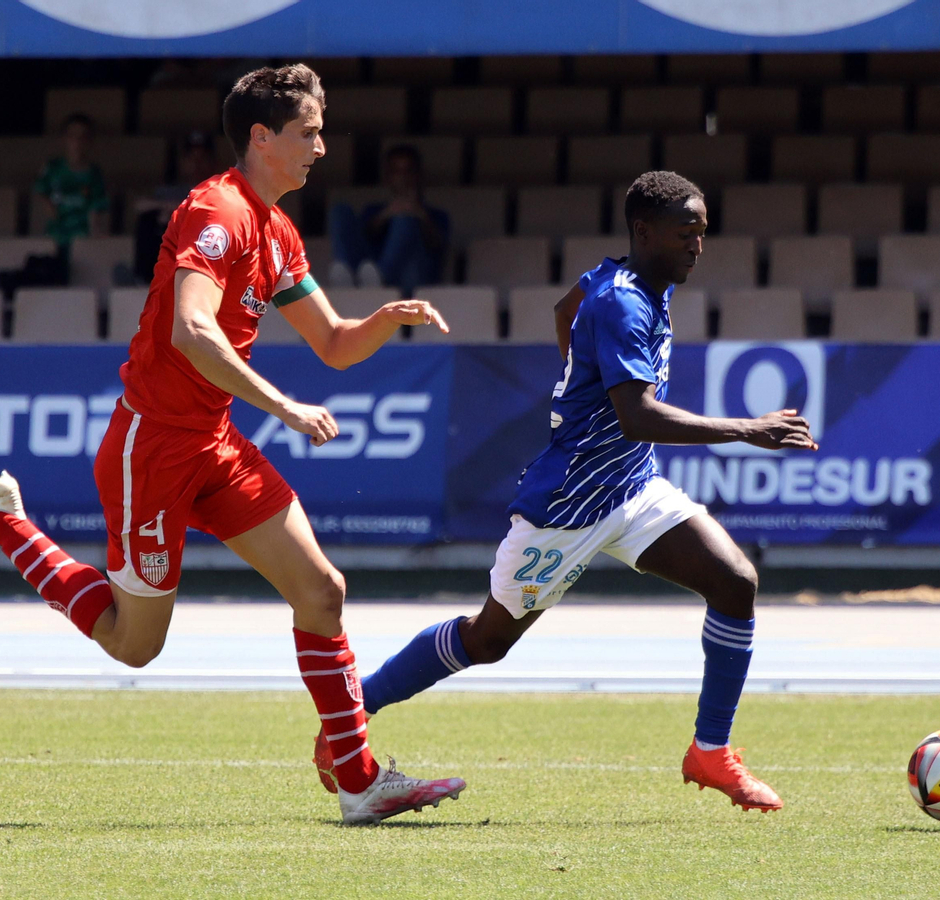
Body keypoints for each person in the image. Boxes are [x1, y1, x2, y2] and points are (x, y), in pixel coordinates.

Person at [0, 65, 466, 826]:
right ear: (262, 137)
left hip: (212, 443)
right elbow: (191, 328)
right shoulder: (218, 209)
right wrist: (282, 405)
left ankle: (359, 781)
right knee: (133, 645)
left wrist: (385, 319)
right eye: (309, 132)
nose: (322, 147)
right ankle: (1, 518)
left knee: (323, 591)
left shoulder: (277, 232)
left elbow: (335, 344)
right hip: (154, 450)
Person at [314, 171, 818, 812]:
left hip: (631, 488)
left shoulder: (622, 284)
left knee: (735, 582)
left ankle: (710, 753)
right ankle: (349, 715)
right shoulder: (622, 303)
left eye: (702, 232)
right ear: (644, 232)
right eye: (685, 232)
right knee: (486, 640)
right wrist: (748, 428)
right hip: (567, 507)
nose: (698, 245)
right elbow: (637, 415)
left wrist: (577, 377)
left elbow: (564, 311)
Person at [327, 144, 449, 294]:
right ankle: (344, 274)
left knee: (405, 220)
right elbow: (362, 238)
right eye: (396, 172)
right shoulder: (373, 211)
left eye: (408, 171)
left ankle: (381, 277)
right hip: (368, 276)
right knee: (340, 210)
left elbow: (438, 246)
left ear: (418, 175)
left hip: (412, 279)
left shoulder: (436, 214)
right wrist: (387, 214)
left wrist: (418, 214)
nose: (403, 177)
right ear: (388, 176)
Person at [134, 130, 224, 282]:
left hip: (209, 253)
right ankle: (144, 280)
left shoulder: (222, 189)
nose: (197, 164)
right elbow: (140, 205)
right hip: (174, 254)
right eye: (191, 158)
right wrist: (169, 207)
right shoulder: (169, 191)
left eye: (202, 158)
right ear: (183, 162)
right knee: (151, 221)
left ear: (213, 162)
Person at [34, 113, 110, 250]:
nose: (77, 141)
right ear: (64, 138)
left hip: (83, 238)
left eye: (83, 137)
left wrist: (93, 237)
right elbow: (41, 192)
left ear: (90, 141)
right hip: (55, 235)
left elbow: (96, 208)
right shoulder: (52, 168)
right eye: (72, 135)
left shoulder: (95, 174)